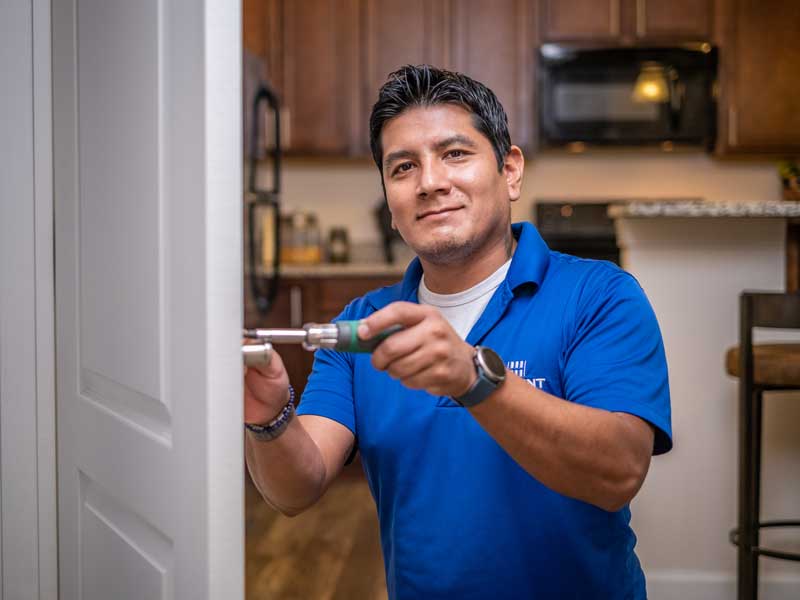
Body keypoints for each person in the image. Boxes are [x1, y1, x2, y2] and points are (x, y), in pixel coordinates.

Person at [244, 64, 672, 600]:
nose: (430, 183)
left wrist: (473, 377)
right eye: (403, 168)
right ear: (390, 205)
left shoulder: (600, 297)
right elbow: (295, 488)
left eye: (455, 154)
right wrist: (268, 419)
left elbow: (618, 473)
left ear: (510, 170)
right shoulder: (362, 326)